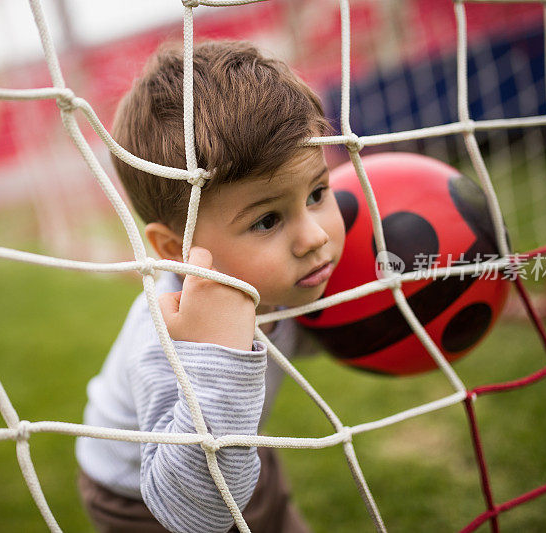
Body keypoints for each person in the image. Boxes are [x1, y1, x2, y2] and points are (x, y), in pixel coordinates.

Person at [75, 40, 346, 533]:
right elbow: (196, 513)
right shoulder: (164, 341)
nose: (315, 236)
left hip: (237, 447)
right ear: (176, 249)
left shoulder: (279, 275)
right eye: (267, 220)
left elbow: (300, 337)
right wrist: (220, 354)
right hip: (148, 495)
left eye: (318, 193)